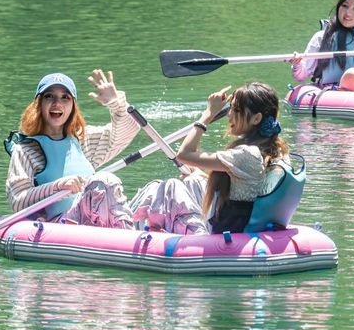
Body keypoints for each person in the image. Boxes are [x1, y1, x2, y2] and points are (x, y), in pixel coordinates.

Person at [128, 82, 304, 235]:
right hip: (244, 224)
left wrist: (208, 114)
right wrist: (198, 173)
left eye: (236, 110)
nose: (229, 115)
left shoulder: (247, 154)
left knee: (170, 187)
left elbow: (184, 154)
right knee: (193, 180)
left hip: (228, 234)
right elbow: (247, 187)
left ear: (256, 118)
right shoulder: (277, 150)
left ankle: (124, 224)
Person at [5, 69, 140, 224]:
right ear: (39, 104)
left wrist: (115, 103)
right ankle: (124, 234)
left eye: (65, 97)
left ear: (73, 106)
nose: (57, 104)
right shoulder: (26, 150)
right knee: (104, 179)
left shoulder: (83, 139)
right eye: (49, 96)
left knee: (165, 188)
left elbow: (130, 130)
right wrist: (57, 186)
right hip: (59, 225)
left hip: (95, 217)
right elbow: (17, 201)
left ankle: (133, 235)